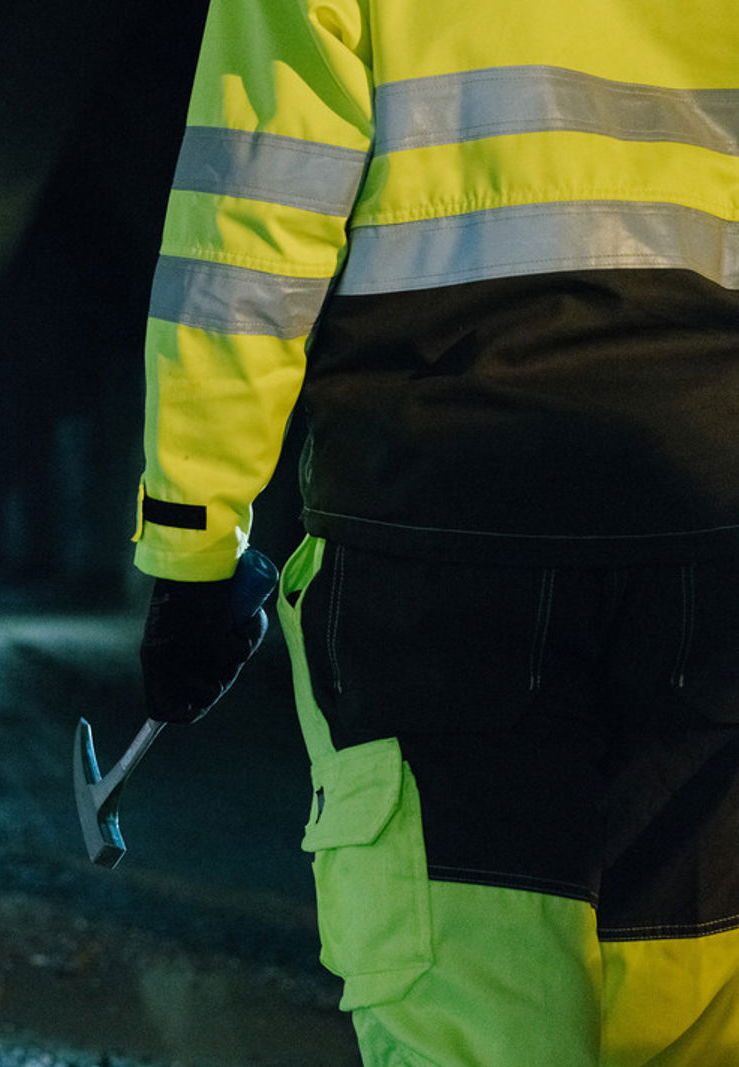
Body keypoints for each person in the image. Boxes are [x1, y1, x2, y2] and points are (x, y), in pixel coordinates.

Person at [131, 1, 739, 1063]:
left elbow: (250, 229)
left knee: (472, 1003)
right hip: (716, 520)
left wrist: (193, 540)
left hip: (444, 532)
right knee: (695, 993)